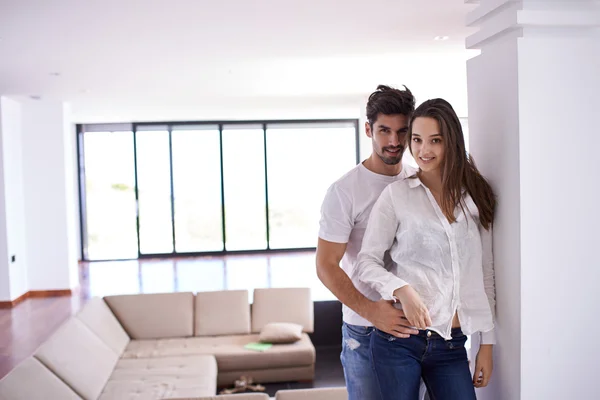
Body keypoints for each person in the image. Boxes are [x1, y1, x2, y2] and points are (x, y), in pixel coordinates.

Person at [355, 98, 497, 400]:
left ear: (452, 142)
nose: (423, 150)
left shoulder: (475, 196)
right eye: (417, 140)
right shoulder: (397, 196)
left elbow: (486, 275)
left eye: (435, 140)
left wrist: (487, 344)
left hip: (452, 344)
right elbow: (365, 262)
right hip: (399, 342)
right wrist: (401, 290)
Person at [316, 84, 425, 400]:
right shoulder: (344, 191)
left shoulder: (420, 180)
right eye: (384, 131)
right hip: (365, 330)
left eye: (402, 131)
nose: (394, 141)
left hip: (416, 327)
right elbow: (325, 265)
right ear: (368, 129)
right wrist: (371, 312)